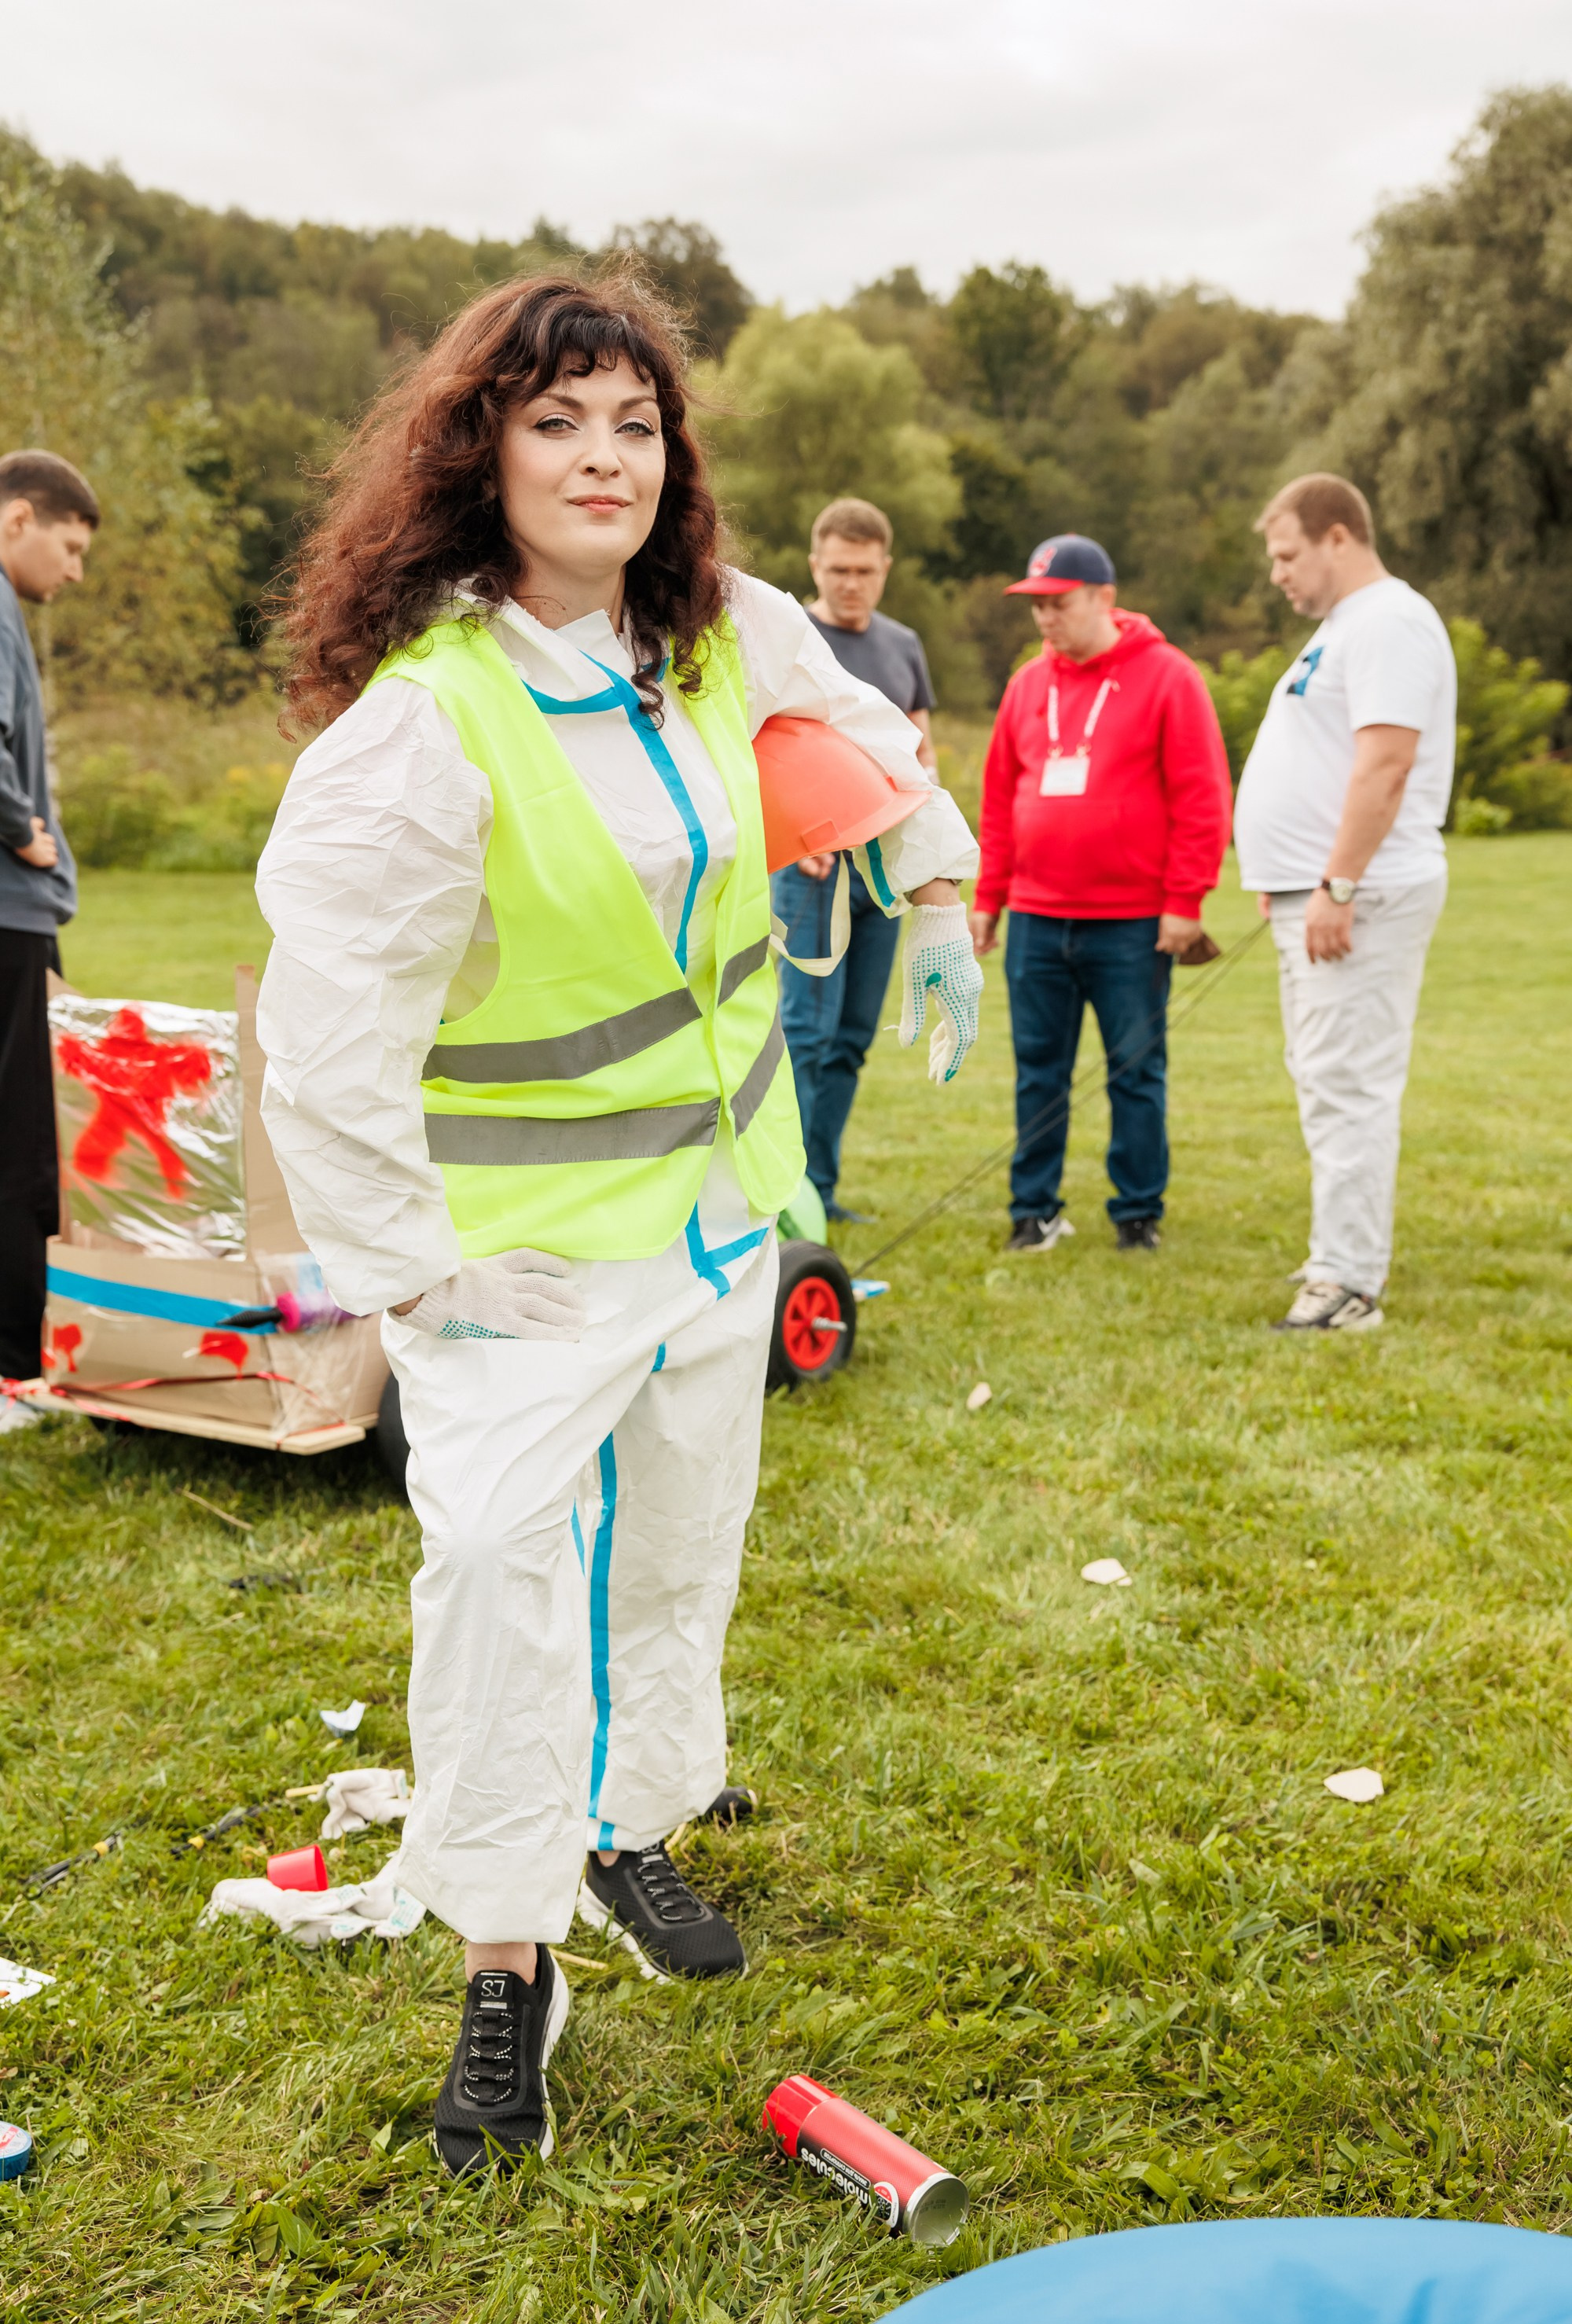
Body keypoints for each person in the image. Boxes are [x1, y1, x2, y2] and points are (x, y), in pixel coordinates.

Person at [256, 274, 982, 2175]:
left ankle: (626, 1826)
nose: (604, 459)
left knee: (670, 1555)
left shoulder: (724, 629)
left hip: (717, 1228)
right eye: (556, 420)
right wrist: (409, 1272)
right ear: (479, 453)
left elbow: (869, 740)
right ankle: (504, 1960)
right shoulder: (429, 728)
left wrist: (937, 891)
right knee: (500, 1579)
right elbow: (323, 1044)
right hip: (518, 1264)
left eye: (635, 424)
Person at [968, 534, 1232, 1253]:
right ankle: (1033, 1212)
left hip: (1132, 921)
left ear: (1104, 599)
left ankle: (1137, 1214)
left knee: (1135, 1071)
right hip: (1037, 917)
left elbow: (1202, 797)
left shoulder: (1170, 676)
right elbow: (1000, 799)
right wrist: (989, 898)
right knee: (1038, 1072)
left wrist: (1186, 901)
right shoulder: (1027, 685)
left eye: (1060, 603)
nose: (1045, 618)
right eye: (1037, 606)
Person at [1234, 473, 1454, 1333]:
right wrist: (1290, 880)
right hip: (1317, 896)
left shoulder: (1390, 621)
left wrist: (1336, 883)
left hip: (1360, 895)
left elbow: (1386, 764)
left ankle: (1348, 1283)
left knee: (1348, 1084)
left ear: (1338, 536)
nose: (1278, 574)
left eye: (1287, 555)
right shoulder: (1342, 629)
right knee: (1321, 1076)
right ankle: (1338, 1250)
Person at [772, 498, 948, 1221]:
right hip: (811, 869)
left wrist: (931, 851)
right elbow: (761, 745)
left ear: (885, 569)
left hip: (883, 872)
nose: (851, 584)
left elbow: (920, 753)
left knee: (850, 1039)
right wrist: (799, 833)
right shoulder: (786, 635)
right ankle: (785, 1198)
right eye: (839, 569)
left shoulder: (903, 645)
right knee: (806, 1037)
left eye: (865, 571)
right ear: (815, 565)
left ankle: (823, 1191)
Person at [0, 450, 96, 1420]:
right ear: (18, 518)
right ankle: (14, 1368)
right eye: (69, 548)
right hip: (9, 917)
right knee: (25, 1139)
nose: (74, 571)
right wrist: (21, 829)